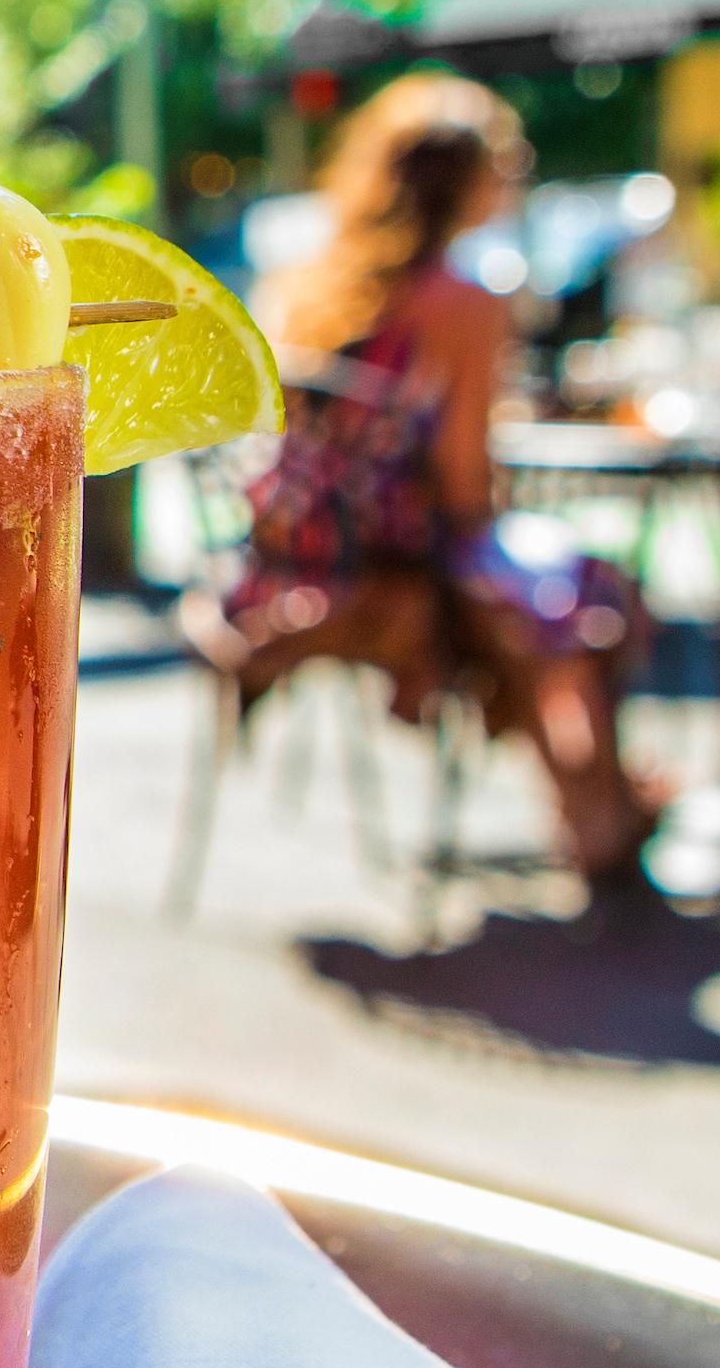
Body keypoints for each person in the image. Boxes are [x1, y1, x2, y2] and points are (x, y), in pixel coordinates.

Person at [193, 73, 661, 891]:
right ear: (470, 182)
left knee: (541, 597)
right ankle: (602, 809)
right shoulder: (465, 300)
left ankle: (600, 803)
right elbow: (462, 480)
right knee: (579, 596)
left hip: (287, 555)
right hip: (389, 560)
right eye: (504, 167)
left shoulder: (313, 281)